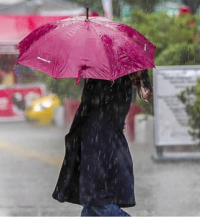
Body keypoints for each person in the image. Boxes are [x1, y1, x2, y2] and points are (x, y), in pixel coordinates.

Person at [52, 70, 152, 217]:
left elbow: (145, 94)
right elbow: (146, 94)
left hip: (99, 140)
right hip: (102, 139)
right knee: (90, 202)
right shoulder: (124, 66)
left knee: (97, 200)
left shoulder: (102, 69)